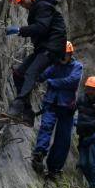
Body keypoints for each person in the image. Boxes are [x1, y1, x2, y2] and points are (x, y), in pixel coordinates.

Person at [5, 0, 67, 126]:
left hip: (52, 47)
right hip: (43, 48)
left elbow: (41, 28)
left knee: (31, 72)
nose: (22, 5)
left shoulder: (43, 6)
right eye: (20, 4)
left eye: (22, 2)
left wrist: (20, 30)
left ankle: (17, 105)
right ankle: (27, 114)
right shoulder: (37, 8)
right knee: (19, 74)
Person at [31, 41, 83, 178]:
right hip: (52, 103)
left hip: (67, 107)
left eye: (65, 53)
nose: (63, 56)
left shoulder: (77, 67)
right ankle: (39, 154)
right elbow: (44, 75)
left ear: (70, 53)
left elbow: (72, 81)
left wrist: (53, 82)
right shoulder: (55, 65)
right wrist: (34, 77)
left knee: (63, 138)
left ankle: (54, 168)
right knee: (46, 126)